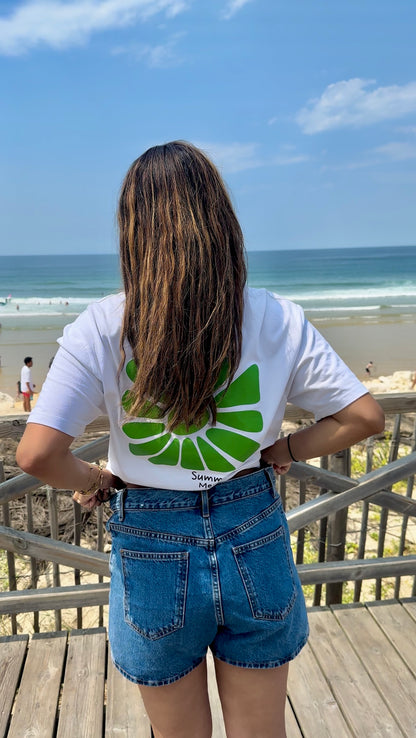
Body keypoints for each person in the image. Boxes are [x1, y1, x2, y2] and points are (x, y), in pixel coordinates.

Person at [16, 142, 384, 738]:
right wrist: (283, 451)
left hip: (151, 544)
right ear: (221, 224)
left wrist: (96, 482)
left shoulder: (103, 327)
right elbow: (363, 419)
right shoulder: (276, 318)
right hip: (254, 529)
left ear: (133, 232)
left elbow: (36, 454)